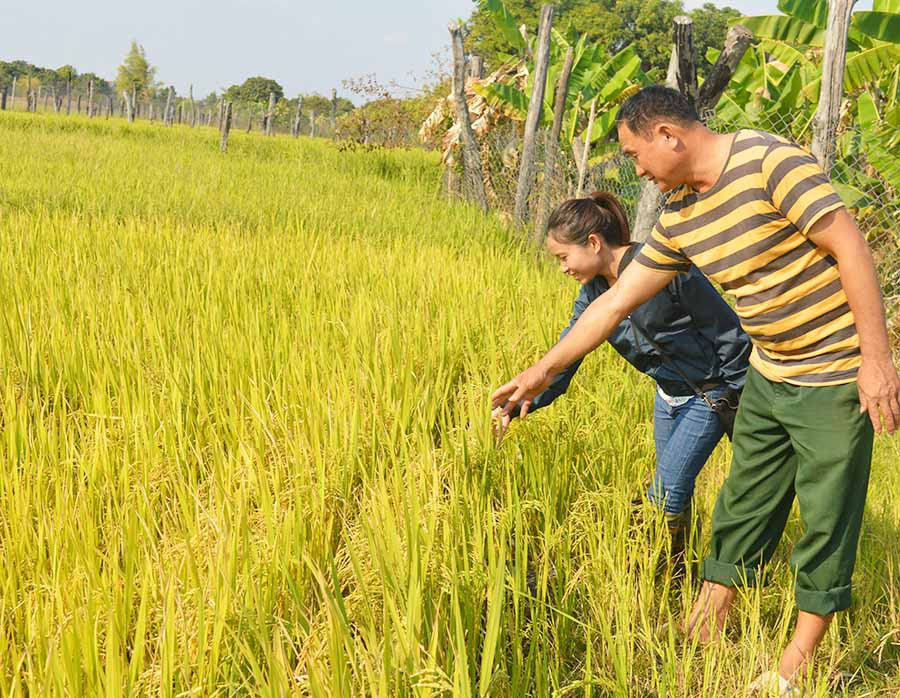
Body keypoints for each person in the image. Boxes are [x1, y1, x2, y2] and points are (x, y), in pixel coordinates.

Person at [491, 85, 900, 693]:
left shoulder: (768, 160)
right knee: (741, 505)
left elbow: (851, 246)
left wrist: (876, 359)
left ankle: (797, 662)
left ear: (667, 135)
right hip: (768, 374)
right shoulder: (681, 216)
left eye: (634, 155)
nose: (636, 170)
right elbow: (613, 306)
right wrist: (541, 372)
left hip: (831, 373)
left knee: (826, 514)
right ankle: (706, 623)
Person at [493, 190, 750, 565]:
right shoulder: (593, 293)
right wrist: (514, 406)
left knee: (665, 493)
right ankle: (679, 570)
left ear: (593, 242)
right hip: (668, 398)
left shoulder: (661, 265)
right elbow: (568, 355)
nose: (562, 268)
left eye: (563, 257)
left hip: (710, 396)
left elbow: (727, 331)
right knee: (676, 491)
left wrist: (743, 401)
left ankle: (646, 568)